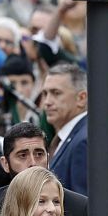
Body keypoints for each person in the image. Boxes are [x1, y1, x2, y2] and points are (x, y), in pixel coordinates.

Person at [42, 63, 88, 196]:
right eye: (45, 93)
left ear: (81, 98)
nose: (47, 102)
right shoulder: (73, 136)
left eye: (56, 93)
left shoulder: (83, 141)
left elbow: (83, 204)